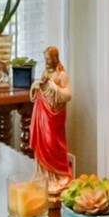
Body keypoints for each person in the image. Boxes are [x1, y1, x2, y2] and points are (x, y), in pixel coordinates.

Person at [30, 45, 73, 188]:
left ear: (54, 59)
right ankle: (44, 175)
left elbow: (68, 95)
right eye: (45, 59)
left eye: (48, 59)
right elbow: (40, 89)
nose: (47, 62)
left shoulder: (62, 75)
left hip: (54, 116)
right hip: (42, 112)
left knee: (52, 143)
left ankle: (58, 175)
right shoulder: (45, 72)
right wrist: (35, 86)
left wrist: (55, 88)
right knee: (41, 141)